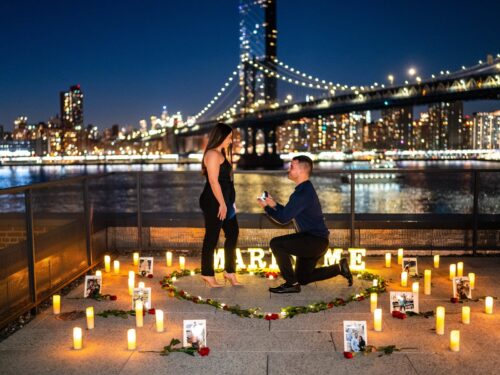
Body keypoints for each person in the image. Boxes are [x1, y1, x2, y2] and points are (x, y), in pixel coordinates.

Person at [257, 155, 352, 293]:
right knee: (303, 278)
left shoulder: (302, 193)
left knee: (276, 243)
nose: (288, 169)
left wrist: (266, 208)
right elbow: (287, 213)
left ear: (301, 170)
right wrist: (274, 205)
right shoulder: (304, 190)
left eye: (292, 167)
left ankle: (291, 283)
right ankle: (339, 268)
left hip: (313, 241)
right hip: (316, 241)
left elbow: (283, 219)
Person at [199, 123, 241, 287]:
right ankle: (207, 273)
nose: (231, 140)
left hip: (226, 201)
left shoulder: (222, 153)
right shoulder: (212, 154)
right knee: (212, 236)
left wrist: (232, 202)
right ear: (221, 136)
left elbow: (227, 182)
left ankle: (229, 271)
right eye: (229, 137)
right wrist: (222, 204)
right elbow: (213, 181)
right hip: (214, 201)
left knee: (233, 233)